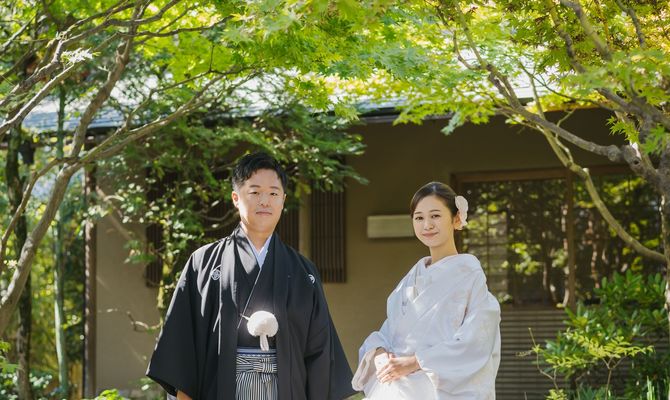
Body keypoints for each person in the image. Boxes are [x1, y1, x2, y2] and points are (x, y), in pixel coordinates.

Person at [147, 152, 355, 400]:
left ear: (283, 200)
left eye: (273, 194)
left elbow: (321, 353)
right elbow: (183, 350)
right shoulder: (202, 264)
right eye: (255, 192)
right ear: (236, 198)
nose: (264, 201)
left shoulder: (304, 272)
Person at [352, 182, 501, 399]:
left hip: (435, 388)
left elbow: (476, 340)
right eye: (419, 218)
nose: (427, 225)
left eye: (435, 216)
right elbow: (390, 331)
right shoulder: (412, 278)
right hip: (397, 386)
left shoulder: (469, 274)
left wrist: (415, 362)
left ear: (456, 218)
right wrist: (380, 352)